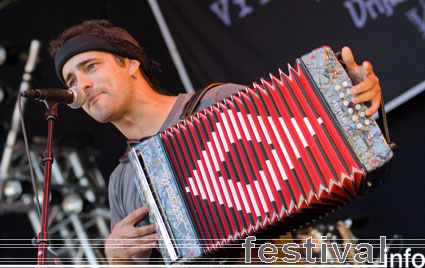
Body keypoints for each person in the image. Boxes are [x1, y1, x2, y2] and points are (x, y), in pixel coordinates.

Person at [49, 19, 381, 265]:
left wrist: (352, 101)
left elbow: (320, 146)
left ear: (132, 63)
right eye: (71, 80)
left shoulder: (217, 104)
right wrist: (117, 261)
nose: (82, 85)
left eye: (90, 66)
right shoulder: (122, 182)